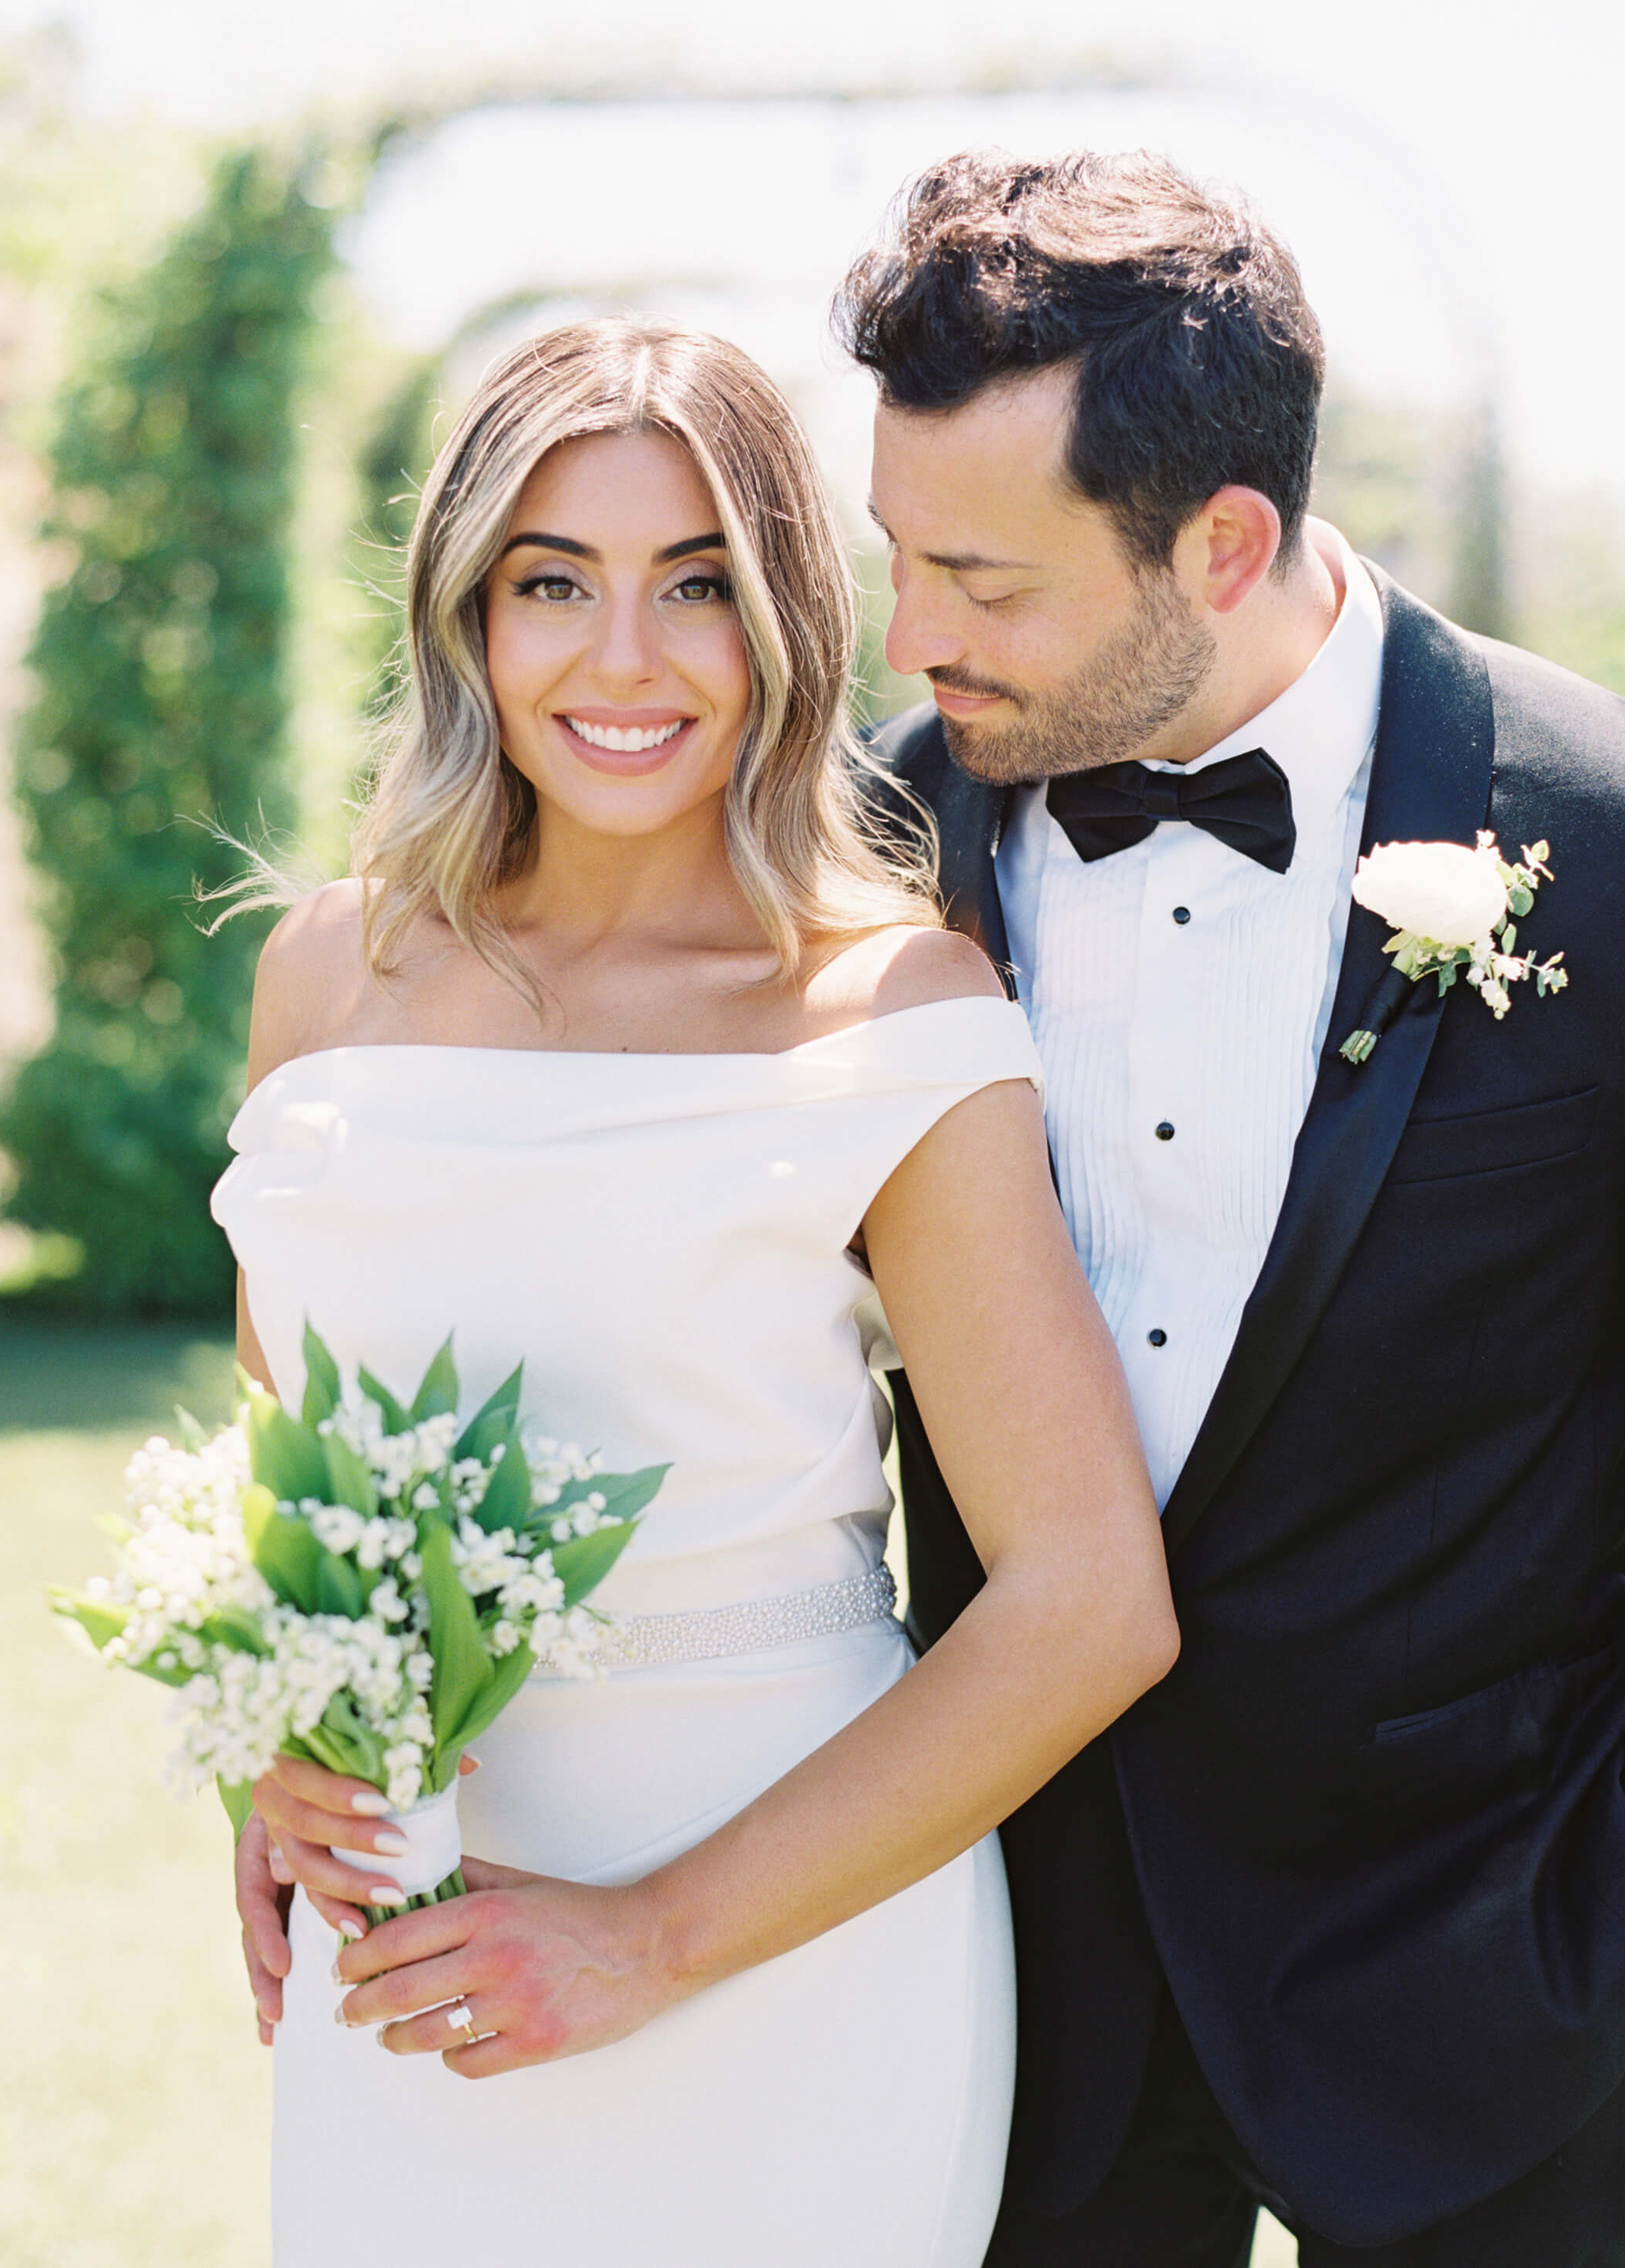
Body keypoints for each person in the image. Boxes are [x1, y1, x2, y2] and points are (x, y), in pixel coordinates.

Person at [215, 316, 1177, 2268]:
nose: (622, 660)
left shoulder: (895, 1014)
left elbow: (1089, 1606)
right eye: (551, 582)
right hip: (414, 1953)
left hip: (790, 1973)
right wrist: (278, 1739)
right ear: (465, 614)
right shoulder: (327, 976)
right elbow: (296, 1471)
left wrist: (646, 1940)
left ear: (791, 628)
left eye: (698, 588)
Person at [834, 148, 1625, 2265]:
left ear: (1225, 539)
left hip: (1500, 1986)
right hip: (1024, 1976)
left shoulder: (1607, 836)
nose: (915, 638)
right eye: (900, 558)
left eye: (986, 581)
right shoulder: (862, 847)